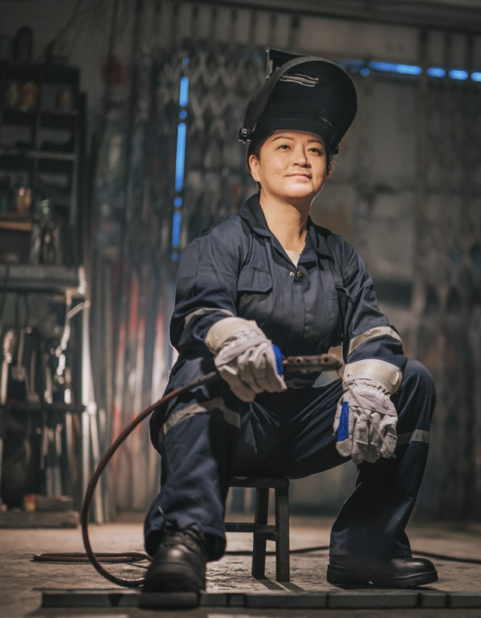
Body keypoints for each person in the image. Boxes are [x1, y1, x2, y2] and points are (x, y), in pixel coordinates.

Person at [142, 49, 437, 592]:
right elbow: (198, 312)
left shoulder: (340, 258)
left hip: (304, 426)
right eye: (284, 147)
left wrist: (369, 384)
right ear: (255, 164)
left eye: (315, 150)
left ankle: (367, 549)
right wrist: (232, 340)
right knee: (199, 367)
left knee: (412, 379)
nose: (301, 158)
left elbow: (373, 331)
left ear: (326, 168)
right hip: (232, 423)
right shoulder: (220, 244)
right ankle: (181, 540)